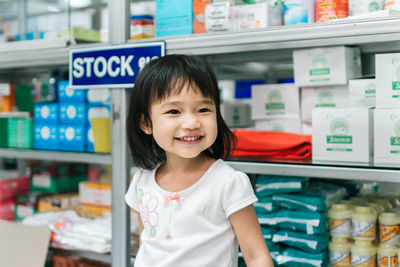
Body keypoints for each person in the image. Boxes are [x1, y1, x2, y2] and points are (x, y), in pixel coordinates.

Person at [125, 54, 273, 267]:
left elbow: (256, 256)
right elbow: (146, 244)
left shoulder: (227, 182)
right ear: (146, 123)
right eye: (174, 111)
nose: (192, 122)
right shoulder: (141, 182)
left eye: (203, 109)